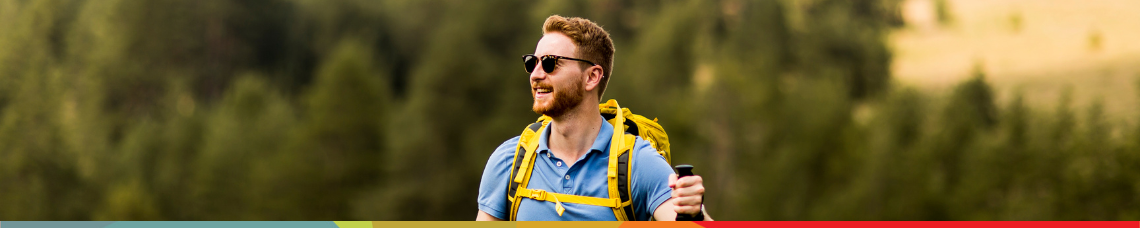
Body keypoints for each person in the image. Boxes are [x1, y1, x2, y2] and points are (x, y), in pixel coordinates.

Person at [476, 15, 712, 221]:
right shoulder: (509, 160)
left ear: (592, 77)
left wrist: (694, 211)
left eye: (549, 63)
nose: (536, 74)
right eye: (532, 63)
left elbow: (684, 218)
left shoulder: (636, 163)